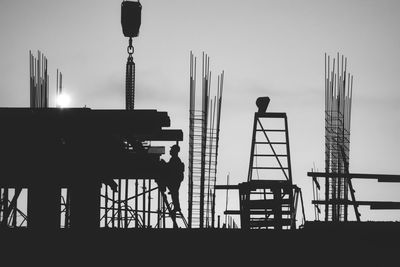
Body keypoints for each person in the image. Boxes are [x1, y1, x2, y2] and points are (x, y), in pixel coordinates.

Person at [165, 144, 184, 213]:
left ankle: (177, 207)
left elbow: (170, 168)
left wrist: (164, 164)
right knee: (174, 193)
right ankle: (177, 207)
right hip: (175, 179)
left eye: (171, 150)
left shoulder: (175, 159)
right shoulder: (174, 159)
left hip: (174, 179)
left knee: (174, 193)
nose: (170, 151)